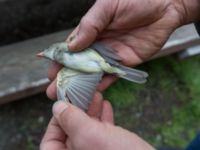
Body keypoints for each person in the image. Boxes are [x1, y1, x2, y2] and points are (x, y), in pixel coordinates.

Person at [40, 0, 200, 149]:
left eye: (47, 52)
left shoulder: (69, 48)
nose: (44, 54)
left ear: (54, 50)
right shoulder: (65, 71)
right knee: (61, 83)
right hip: (100, 64)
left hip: (102, 60)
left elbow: (84, 43)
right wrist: (177, 4)